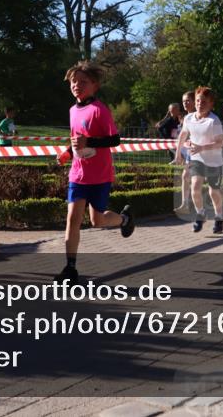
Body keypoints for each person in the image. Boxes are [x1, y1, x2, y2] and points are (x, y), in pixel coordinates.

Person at [55, 61, 134, 283]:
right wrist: (67, 153)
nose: (77, 85)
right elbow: (76, 141)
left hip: (99, 175)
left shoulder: (100, 110)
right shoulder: (72, 110)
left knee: (97, 221)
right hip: (78, 175)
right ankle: (70, 268)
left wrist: (89, 140)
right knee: (72, 219)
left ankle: (124, 219)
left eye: (83, 82)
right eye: (73, 81)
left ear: (95, 85)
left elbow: (115, 139)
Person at [175, 87, 223, 233]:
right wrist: (179, 153)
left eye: (204, 102)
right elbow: (183, 135)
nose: (199, 104)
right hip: (197, 159)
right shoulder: (189, 118)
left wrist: (201, 147)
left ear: (211, 104)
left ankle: (219, 216)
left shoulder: (214, 121)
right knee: (195, 187)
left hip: (214, 161)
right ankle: (200, 213)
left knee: (213, 192)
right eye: (197, 101)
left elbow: (219, 143)